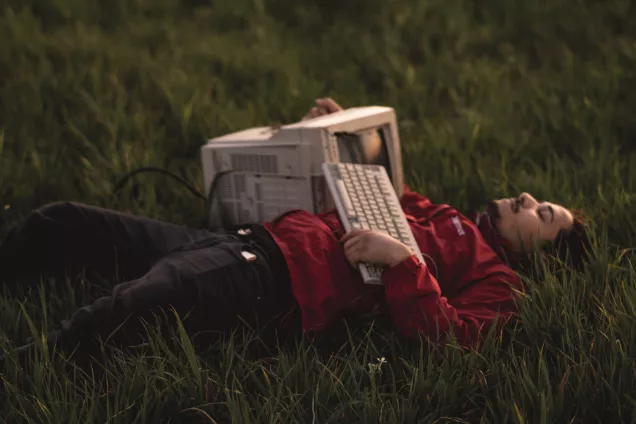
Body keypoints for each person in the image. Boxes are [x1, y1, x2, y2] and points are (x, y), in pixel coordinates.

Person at [0, 98, 594, 366]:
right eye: (539, 200)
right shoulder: (452, 218)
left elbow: (452, 340)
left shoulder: (498, 282)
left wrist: (400, 263)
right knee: (65, 221)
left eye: (543, 215)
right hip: (247, 238)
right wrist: (329, 132)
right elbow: (375, 185)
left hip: (275, 280)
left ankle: (24, 366)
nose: (527, 198)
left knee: (135, 301)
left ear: (543, 259)